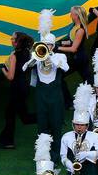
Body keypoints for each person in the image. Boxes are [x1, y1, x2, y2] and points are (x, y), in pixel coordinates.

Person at [25, 10, 69, 157]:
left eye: (50, 45)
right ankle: (43, 152)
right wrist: (36, 58)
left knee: (56, 124)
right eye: (45, 45)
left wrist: (52, 58)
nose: (47, 48)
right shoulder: (36, 56)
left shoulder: (60, 56)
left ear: (53, 46)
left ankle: (57, 153)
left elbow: (66, 68)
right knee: (42, 125)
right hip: (41, 94)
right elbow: (25, 67)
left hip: (56, 95)